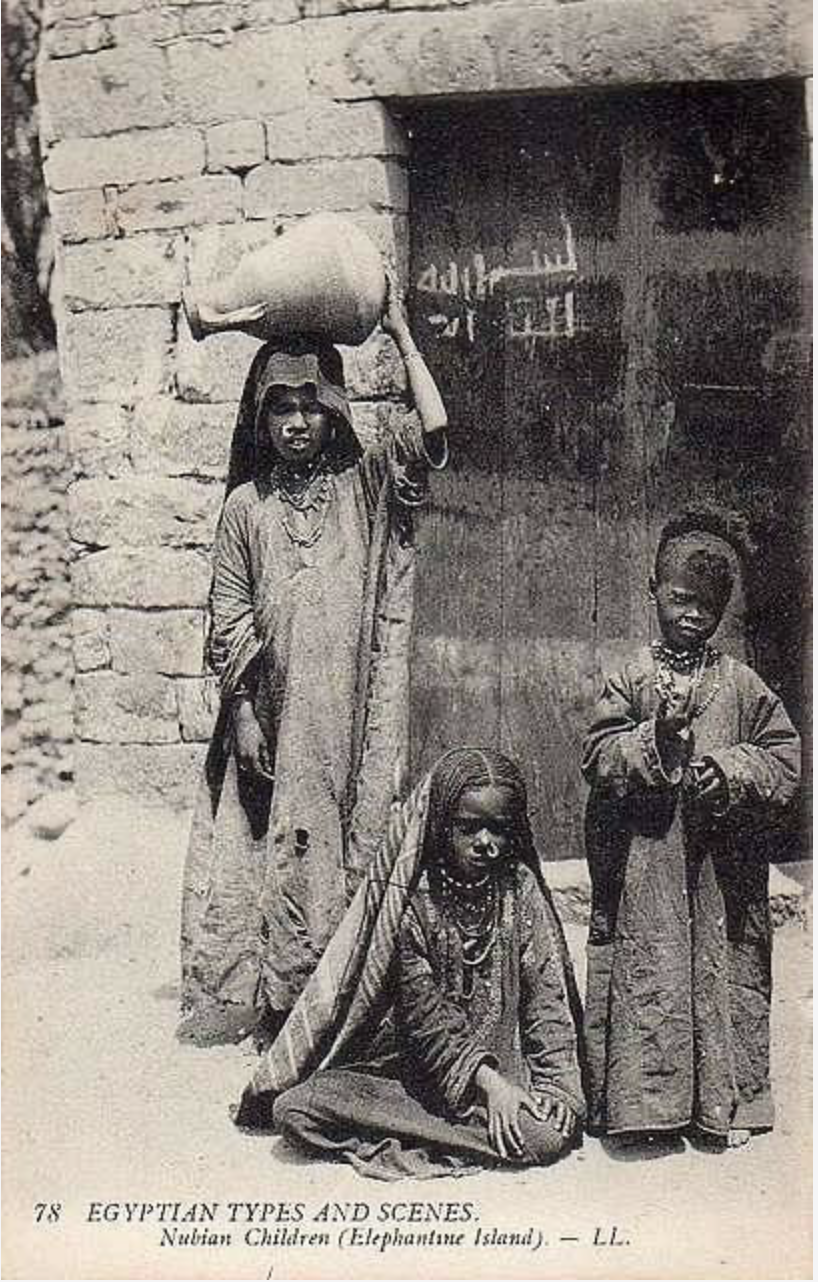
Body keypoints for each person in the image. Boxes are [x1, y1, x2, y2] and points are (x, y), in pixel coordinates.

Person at [178, 282, 448, 1046]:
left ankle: (340, 1006)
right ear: (260, 418)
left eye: (311, 406)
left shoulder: (363, 487)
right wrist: (242, 713)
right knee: (272, 847)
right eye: (280, 408)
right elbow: (227, 617)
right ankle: (277, 1006)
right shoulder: (245, 507)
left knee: (345, 843)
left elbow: (431, 432)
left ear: (334, 411)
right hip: (272, 712)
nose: (297, 423)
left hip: (347, 714)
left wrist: (399, 331)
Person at [235, 747, 586, 1180]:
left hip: (507, 1076)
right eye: (468, 828)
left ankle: (454, 1129)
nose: (484, 842)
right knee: (294, 1109)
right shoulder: (415, 899)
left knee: (548, 1133)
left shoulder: (520, 888)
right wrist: (489, 1086)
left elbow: (547, 1001)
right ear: (441, 824)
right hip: (418, 1078)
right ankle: (461, 1131)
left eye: (497, 829)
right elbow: (426, 1019)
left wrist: (558, 1090)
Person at [582, 508, 801, 1151]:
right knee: (649, 966)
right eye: (680, 599)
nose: (692, 616)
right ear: (653, 590)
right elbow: (597, 753)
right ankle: (643, 1106)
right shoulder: (630, 677)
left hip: (719, 870)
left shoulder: (741, 684)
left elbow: (785, 754)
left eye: (709, 606)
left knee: (719, 966)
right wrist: (654, 739)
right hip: (646, 859)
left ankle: (723, 1104)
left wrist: (731, 769)